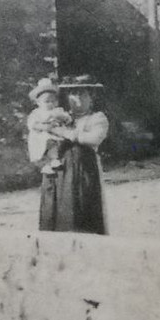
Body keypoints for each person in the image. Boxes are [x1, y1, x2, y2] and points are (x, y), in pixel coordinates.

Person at [41, 76, 109, 233]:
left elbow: (93, 138)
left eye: (83, 94)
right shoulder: (59, 116)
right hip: (60, 169)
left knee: (81, 208)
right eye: (73, 94)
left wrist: (63, 132)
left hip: (83, 170)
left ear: (91, 97)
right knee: (56, 210)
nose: (77, 98)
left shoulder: (97, 118)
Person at [25, 77, 73, 175]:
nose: (50, 104)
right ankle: (45, 165)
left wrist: (63, 118)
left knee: (56, 146)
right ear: (38, 103)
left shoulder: (58, 110)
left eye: (53, 101)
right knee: (44, 147)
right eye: (47, 101)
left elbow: (68, 118)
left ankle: (54, 160)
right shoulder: (37, 113)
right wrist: (43, 127)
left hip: (56, 134)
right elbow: (32, 124)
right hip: (40, 136)